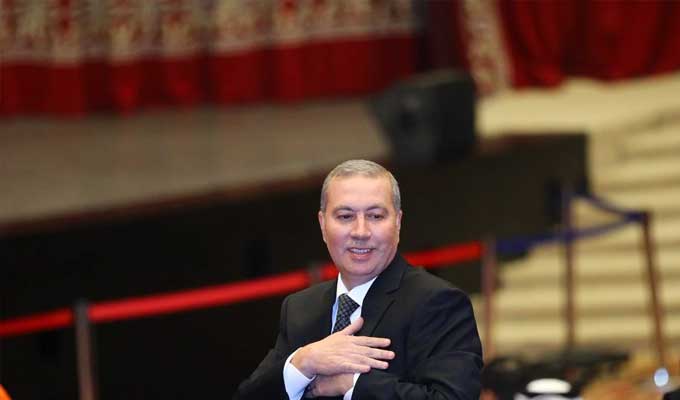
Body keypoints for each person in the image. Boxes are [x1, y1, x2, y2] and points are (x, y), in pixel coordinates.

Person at [234, 159, 483, 400]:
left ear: (397, 222)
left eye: (375, 216)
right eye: (345, 216)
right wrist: (304, 361)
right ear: (322, 224)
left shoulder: (438, 302)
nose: (361, 232)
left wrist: (351, 385)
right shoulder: (300, 309)